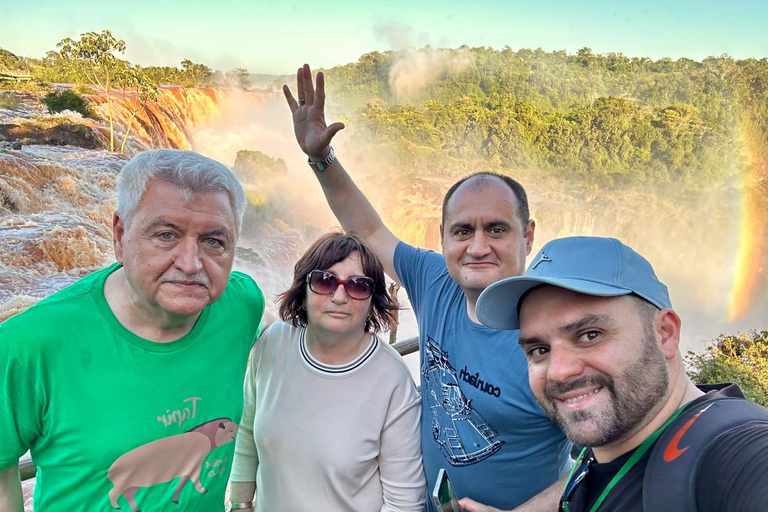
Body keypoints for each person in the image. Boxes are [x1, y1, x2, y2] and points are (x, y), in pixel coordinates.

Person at [283, 64, 571, 512]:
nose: (477, 247)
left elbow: (607, 458)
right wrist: (322, 160)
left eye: (496, 230)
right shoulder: (435, 279)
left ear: (528, 235)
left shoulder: (555, 337)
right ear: (442, 236)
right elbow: (368, 229)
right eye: (462, 232)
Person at [0, 149, 265, 512]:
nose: (190, 264)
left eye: (213, 241)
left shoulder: (242, 306)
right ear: (120, 235)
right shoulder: (32, 342)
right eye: (166, 235)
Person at [472, 236, 768, 512]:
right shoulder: (614, 435)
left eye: (590, 335)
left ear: (665, 334)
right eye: (539, 350)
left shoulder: (736, 453)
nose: (559, 372)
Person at [228, 232, 425, 512]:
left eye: (358, 286)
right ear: (304, 287)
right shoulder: (272, 344)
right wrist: (240, 502)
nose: (340, 296)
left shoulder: (391, 379)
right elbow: (246, 432)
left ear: (373, 299)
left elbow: (404, 502)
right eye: (325, 280)